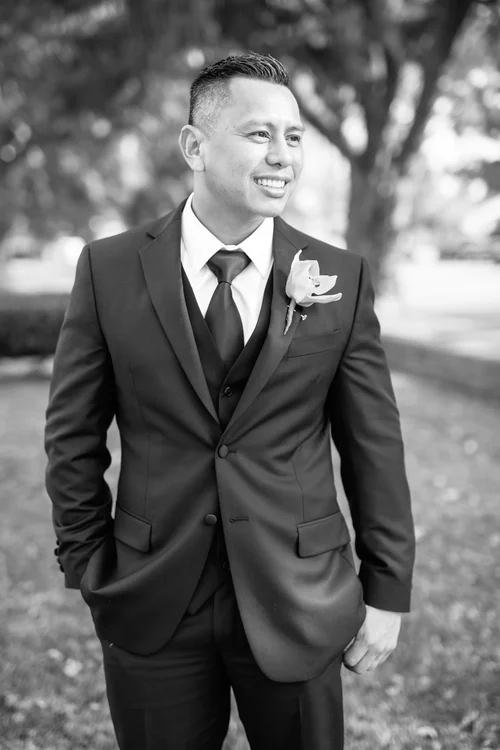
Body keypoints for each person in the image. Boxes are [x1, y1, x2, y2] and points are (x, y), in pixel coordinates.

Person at [44, 52, 415, 750]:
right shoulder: (108, 269)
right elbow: (72, 435)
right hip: (151, 596)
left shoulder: (340, 277)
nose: (283, 156)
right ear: (195, 146)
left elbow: (374, 445)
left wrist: (388, 591)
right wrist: (88, 564)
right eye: (258, 134)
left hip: (298, 594)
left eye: (293, 137)